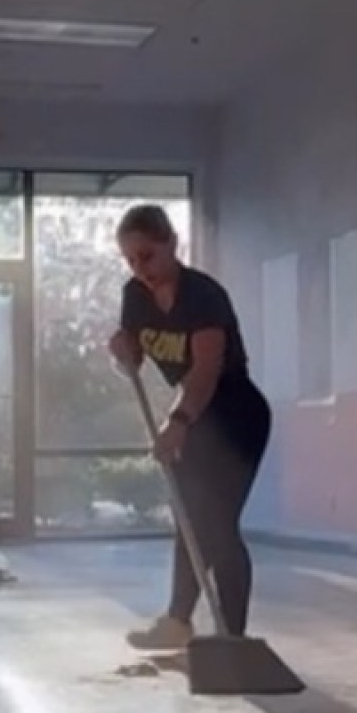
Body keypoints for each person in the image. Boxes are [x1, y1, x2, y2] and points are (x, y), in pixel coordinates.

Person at [108, 203, 271, 650]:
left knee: (218, 525)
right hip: (195, 418)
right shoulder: (135, 296)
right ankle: (178, 623)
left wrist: (177, 422)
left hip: (237, 416)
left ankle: (234, 641)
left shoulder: (203, 295)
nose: (141, 269)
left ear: (171, 244)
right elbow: (136, 361)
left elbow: (205, 372)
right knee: (189, 521)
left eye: (148, 256)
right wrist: (123, 352)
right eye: (131, 260)